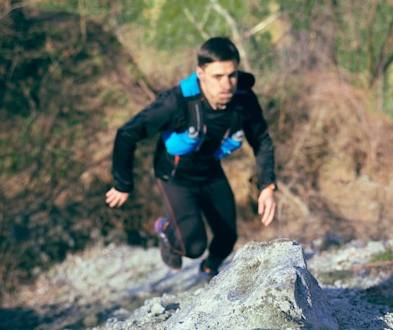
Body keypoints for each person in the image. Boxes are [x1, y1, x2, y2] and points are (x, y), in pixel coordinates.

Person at [105, 37, 277, 282]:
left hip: (210, 172)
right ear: (201, 73)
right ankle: (165, 229)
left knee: (227, 237)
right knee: (193, 246)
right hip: (175, 176)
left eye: (231, 75)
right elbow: (127, 133)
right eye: (217, 77)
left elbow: (262, 141)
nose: (226, 84)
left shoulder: (244, 101)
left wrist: (268, 186)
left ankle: (209, 270)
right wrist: (123, 184)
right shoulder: (177, 103)